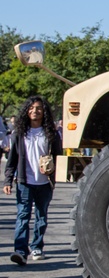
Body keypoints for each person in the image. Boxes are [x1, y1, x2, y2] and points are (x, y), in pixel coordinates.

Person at [4, 96, 61, 266]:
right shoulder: (20, 133)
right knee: (23, 215)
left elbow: (58, 157)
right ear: (26, 111)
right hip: (24, 181)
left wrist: (54, 175)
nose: (34, 111)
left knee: (41, 216)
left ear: (44, 112)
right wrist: (8, 180)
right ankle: (20, 251)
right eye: (31, 108)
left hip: (44, 183)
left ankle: (37, 246)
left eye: (38, 108)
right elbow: (12, 159)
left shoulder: (51, 133)